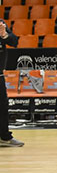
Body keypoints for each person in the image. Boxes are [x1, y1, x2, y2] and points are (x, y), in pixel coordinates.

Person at [0, 19, 22, 147]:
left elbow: (14, 41)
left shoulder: (1, 24)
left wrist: (4, 35)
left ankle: (4, 137)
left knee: (2, 107)